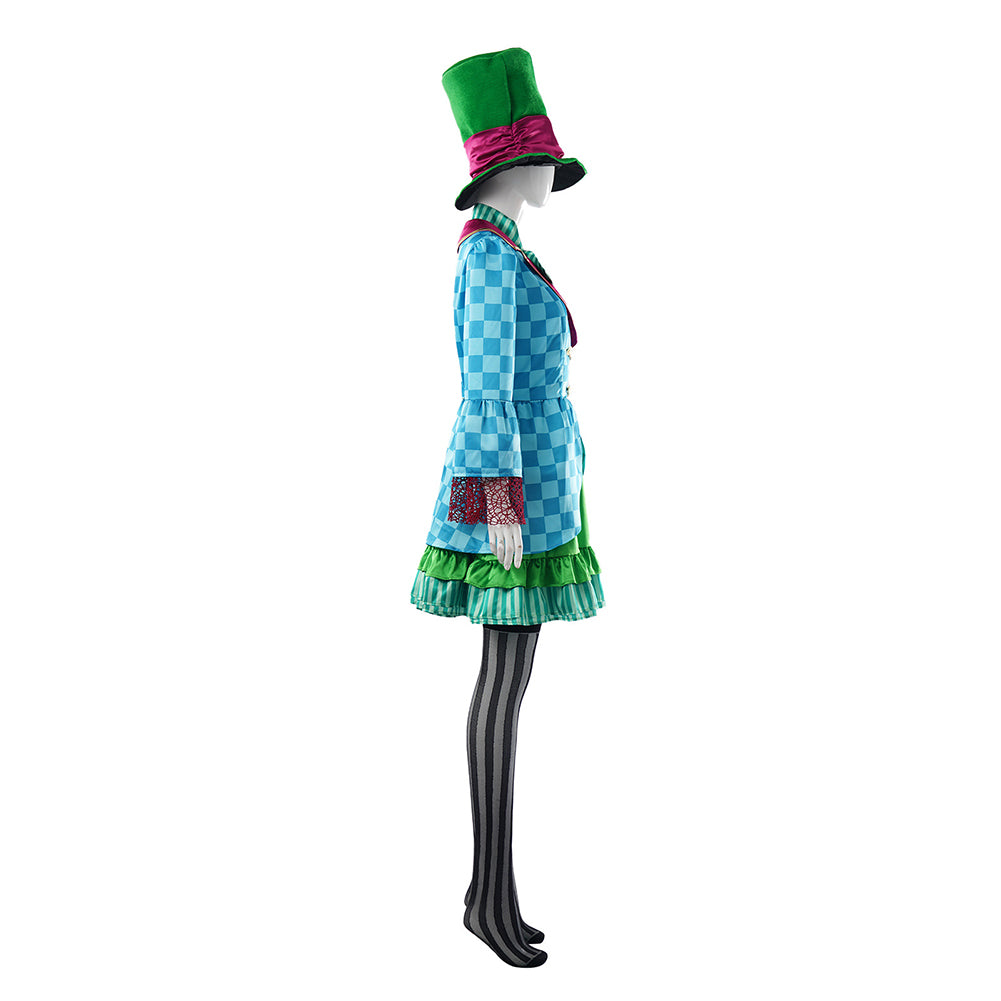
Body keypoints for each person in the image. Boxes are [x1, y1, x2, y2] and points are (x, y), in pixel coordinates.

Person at [409, 47, 605, 968]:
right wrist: (499, 512)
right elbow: (484, 392)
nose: (548, 176)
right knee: (501, 680)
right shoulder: (488, 259)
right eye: (538, 161)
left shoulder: (506, 251)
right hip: (505, 498)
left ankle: (490, 893)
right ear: (505, 166)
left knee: (509, 679)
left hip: (527, 492)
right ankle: (488, 896)